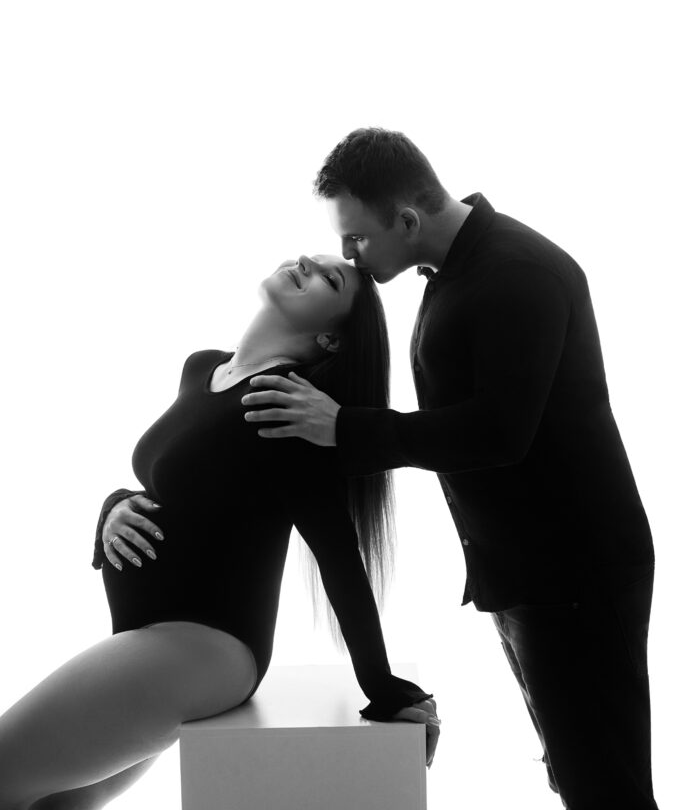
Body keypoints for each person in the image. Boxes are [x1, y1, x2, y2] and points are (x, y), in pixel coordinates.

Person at [240, 129, 660, 810]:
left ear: (407, 220)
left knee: (604, 784)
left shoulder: (519, 274)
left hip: (575, 578)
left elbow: (498, 432)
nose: (348, 253)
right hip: (530, 573)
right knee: (575, 770)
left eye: (356, 237)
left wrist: (344, 426)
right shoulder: (460, 271)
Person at [0, 251, 439, 810]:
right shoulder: (202, 367)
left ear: (331, 339)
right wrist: (116, 505)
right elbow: (185, 485)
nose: (306, 260)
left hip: (204, 648)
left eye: (329, 279)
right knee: (50, 804)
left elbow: (338, 556)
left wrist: (382, 685)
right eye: (312, 258)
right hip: (148, 640)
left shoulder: (285, 406)